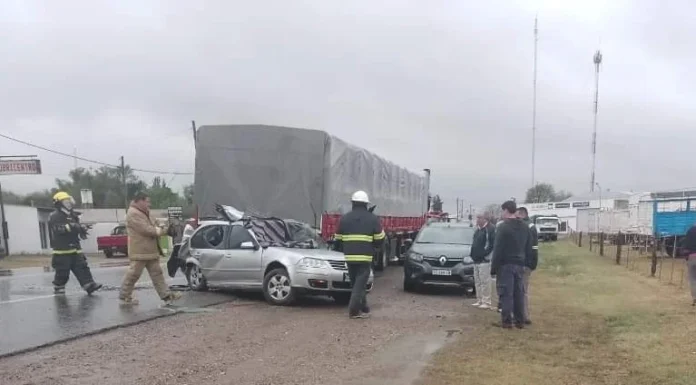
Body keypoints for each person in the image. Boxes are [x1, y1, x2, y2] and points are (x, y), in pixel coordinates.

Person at [119, 192, 181, 306]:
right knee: (133, 274)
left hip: (150, 250)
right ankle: (125, 296)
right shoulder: (132, 213)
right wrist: (164, 231)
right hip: (139, 251)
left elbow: (155, 224)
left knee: (157, 273)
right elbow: (146, 229)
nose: (149, 204)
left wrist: (166, 226)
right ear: (139, 201)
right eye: (147, 201)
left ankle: (166, 296)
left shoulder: (146, 212)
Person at [333, 190, 384, 319]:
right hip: (365, 257)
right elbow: (380, 238)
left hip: (349, 257)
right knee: (359, 284)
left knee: (356, 283)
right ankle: (354, 311)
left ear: (353, 203)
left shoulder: (345, 218)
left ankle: (364, 307)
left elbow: (337, 238)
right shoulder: (373, 218)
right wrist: (375, 246)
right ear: (366, 204)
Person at [49, 191, 103, 295]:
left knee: (82, 267)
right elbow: (58, 229)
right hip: (62, 250)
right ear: (59, 203)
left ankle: (89, 285)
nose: (69, 203)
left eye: (69, 201)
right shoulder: (55, 216)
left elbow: (76, 226)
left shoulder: (73, 215)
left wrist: (82, 229)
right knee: (62, 271)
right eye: (66, 201)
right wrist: (73, 226)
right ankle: (59, 287)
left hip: (75, 248)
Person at [490, 200, 533, 329]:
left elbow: (498, 249)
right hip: (520, 263)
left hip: (506, 264)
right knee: (519, 293)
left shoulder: (503, 227)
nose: (502, 214)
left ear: (507, 210)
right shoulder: (525, 227)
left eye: (502, 211)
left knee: (506, 293)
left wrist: (494, 267)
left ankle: (507, 321)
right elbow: (528, 246)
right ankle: (520, 320)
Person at [516, 206, 538, 324]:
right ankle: (523, 315)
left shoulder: (525, 226)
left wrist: (528, 263)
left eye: (517, 214)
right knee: (523, 290)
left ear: (522, 214)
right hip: (528, 262)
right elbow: (535, 247)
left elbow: (529, 247)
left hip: (523, 263)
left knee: (521, 290)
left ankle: (523, 316)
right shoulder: (531, 226)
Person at [470, 214, 495, 309]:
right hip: (476, 259)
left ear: (485, 219)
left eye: (479, 218)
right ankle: (479, 299)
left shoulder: (490, 229)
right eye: (477, 217)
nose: (477, 219)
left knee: (485, 281)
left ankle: (486, 301)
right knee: (477, 281)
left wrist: (485, 255)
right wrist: (472, 254)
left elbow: (491, 245)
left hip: (484, 260)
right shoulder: (477, 230)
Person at [681, 223, 696, 306]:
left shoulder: (690, 231)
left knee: (693, 279)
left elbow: (685, 244)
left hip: (692, 257)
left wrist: (686, 256)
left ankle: (695, 298)